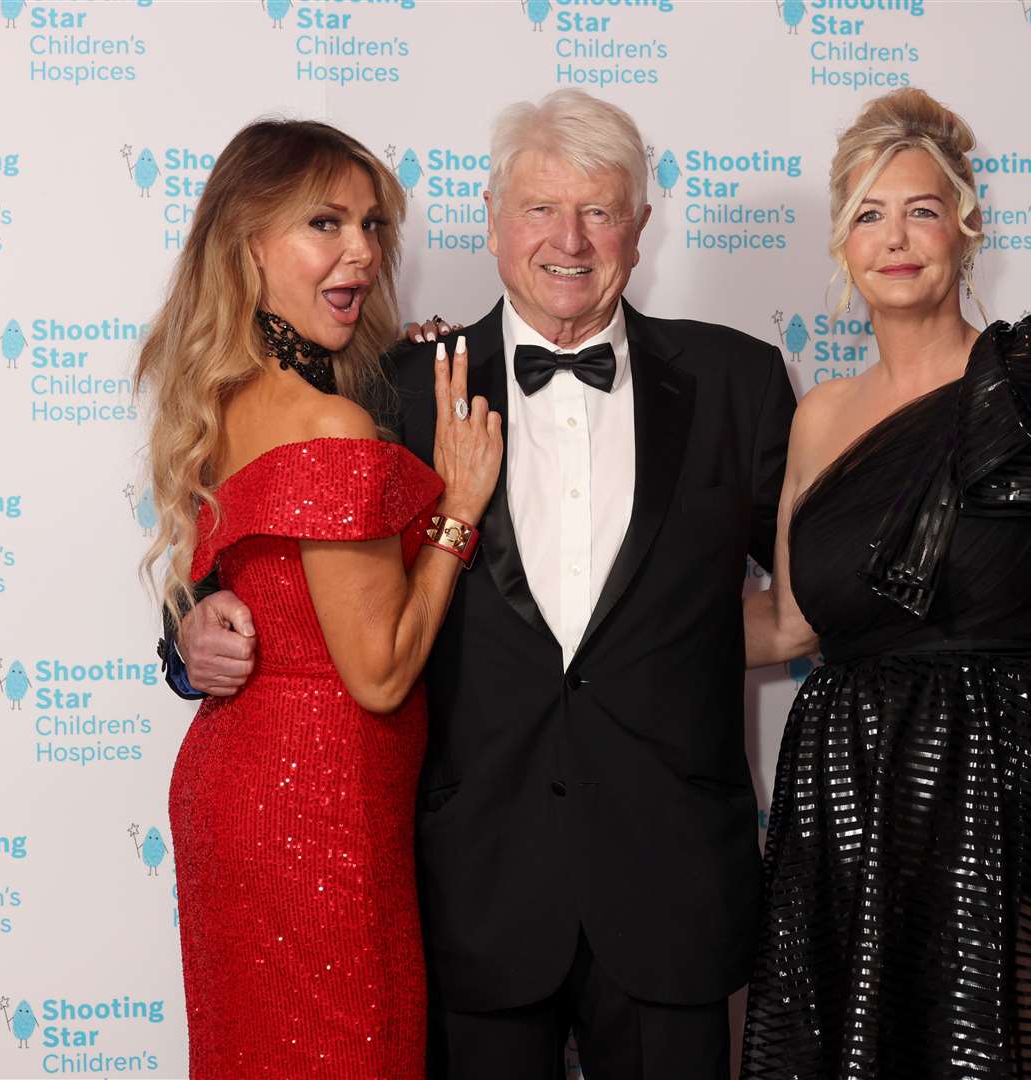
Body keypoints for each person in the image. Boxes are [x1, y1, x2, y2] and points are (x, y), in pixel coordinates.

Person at [163, 90, 796, 1080]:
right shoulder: (387, 389)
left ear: (640, 223)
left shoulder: (739, 381)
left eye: (598, 209)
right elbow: (240, 552)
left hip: (669, 879)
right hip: (468, 886)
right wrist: (189, 633)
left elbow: (814, 593)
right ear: (494, 221)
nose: (570, 240)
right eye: (541, 209)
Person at [738, 88, 1031, 1078]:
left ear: (965, 225)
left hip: (1023, 792)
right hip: (854, 793)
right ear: (840, 245)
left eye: (918, 208)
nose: (895, 237)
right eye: (867, 214)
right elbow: (786, 624)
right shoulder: (819, 416)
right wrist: (597, 616)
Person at [137, 119, 502, 1076]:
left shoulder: (222, 402)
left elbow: (233, 586)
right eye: (324, 224)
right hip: (319, 814)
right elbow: (379, 674)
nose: (362, 252)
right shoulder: (327, 420)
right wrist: (457, 509)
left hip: (242, 790)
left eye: (373, 226)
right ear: (246, 244)